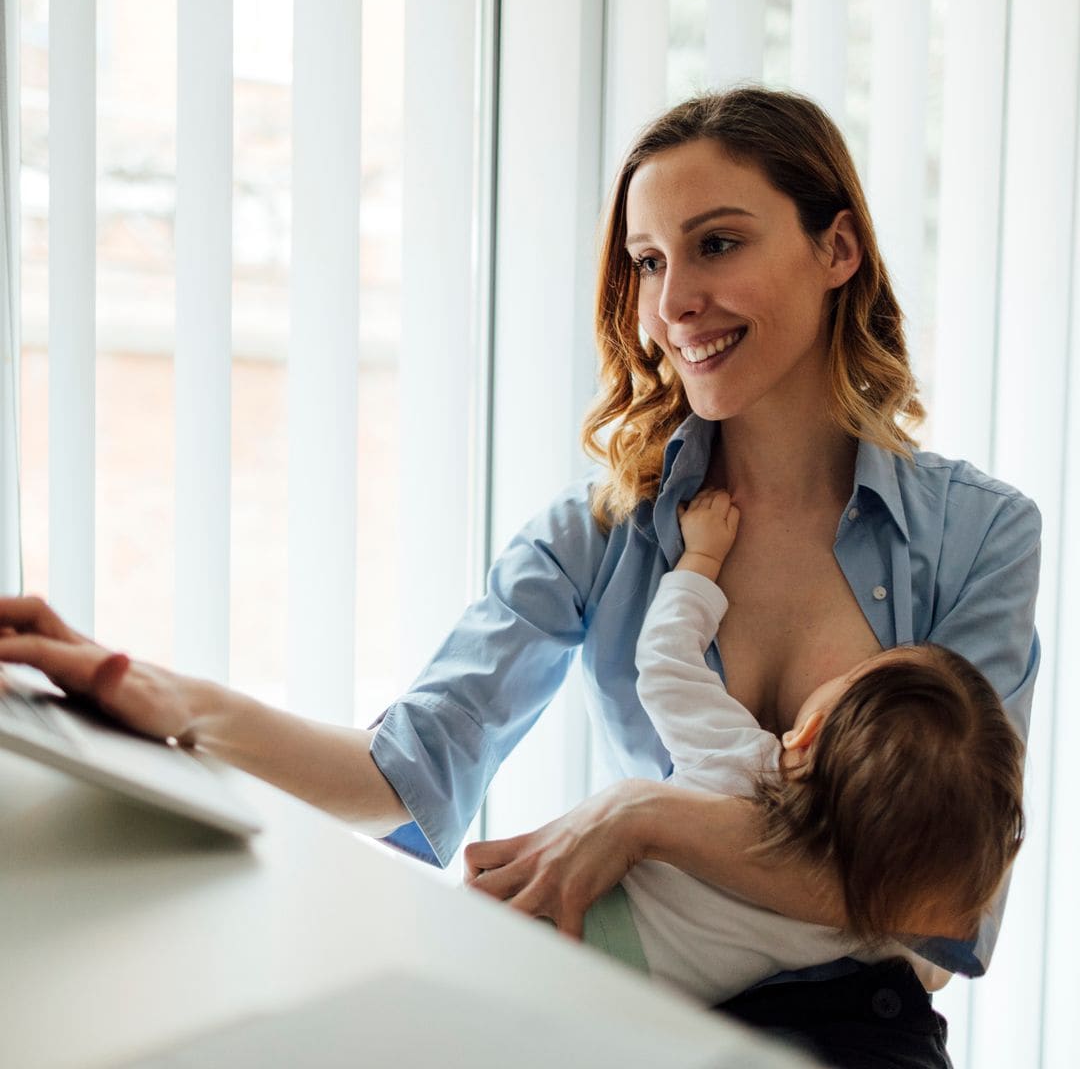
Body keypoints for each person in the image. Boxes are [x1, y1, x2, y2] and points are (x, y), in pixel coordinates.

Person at [0, 88, 1040, 1067]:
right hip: (636, 1020)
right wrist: (162, 696)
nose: (673, 302)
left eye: (717, 243)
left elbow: (942, 898)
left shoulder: (979, 536)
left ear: (837, 248)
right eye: (644, 261)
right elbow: (402, 773)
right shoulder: (598, 536)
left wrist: (645, 814)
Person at [576, 485, 1024, 1007]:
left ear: (806, 734)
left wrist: (701, 559)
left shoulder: (739, 761)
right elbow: (941, 954)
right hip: (641, 1008)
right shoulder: (870, 919)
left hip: (584, 921)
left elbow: (665, 661)